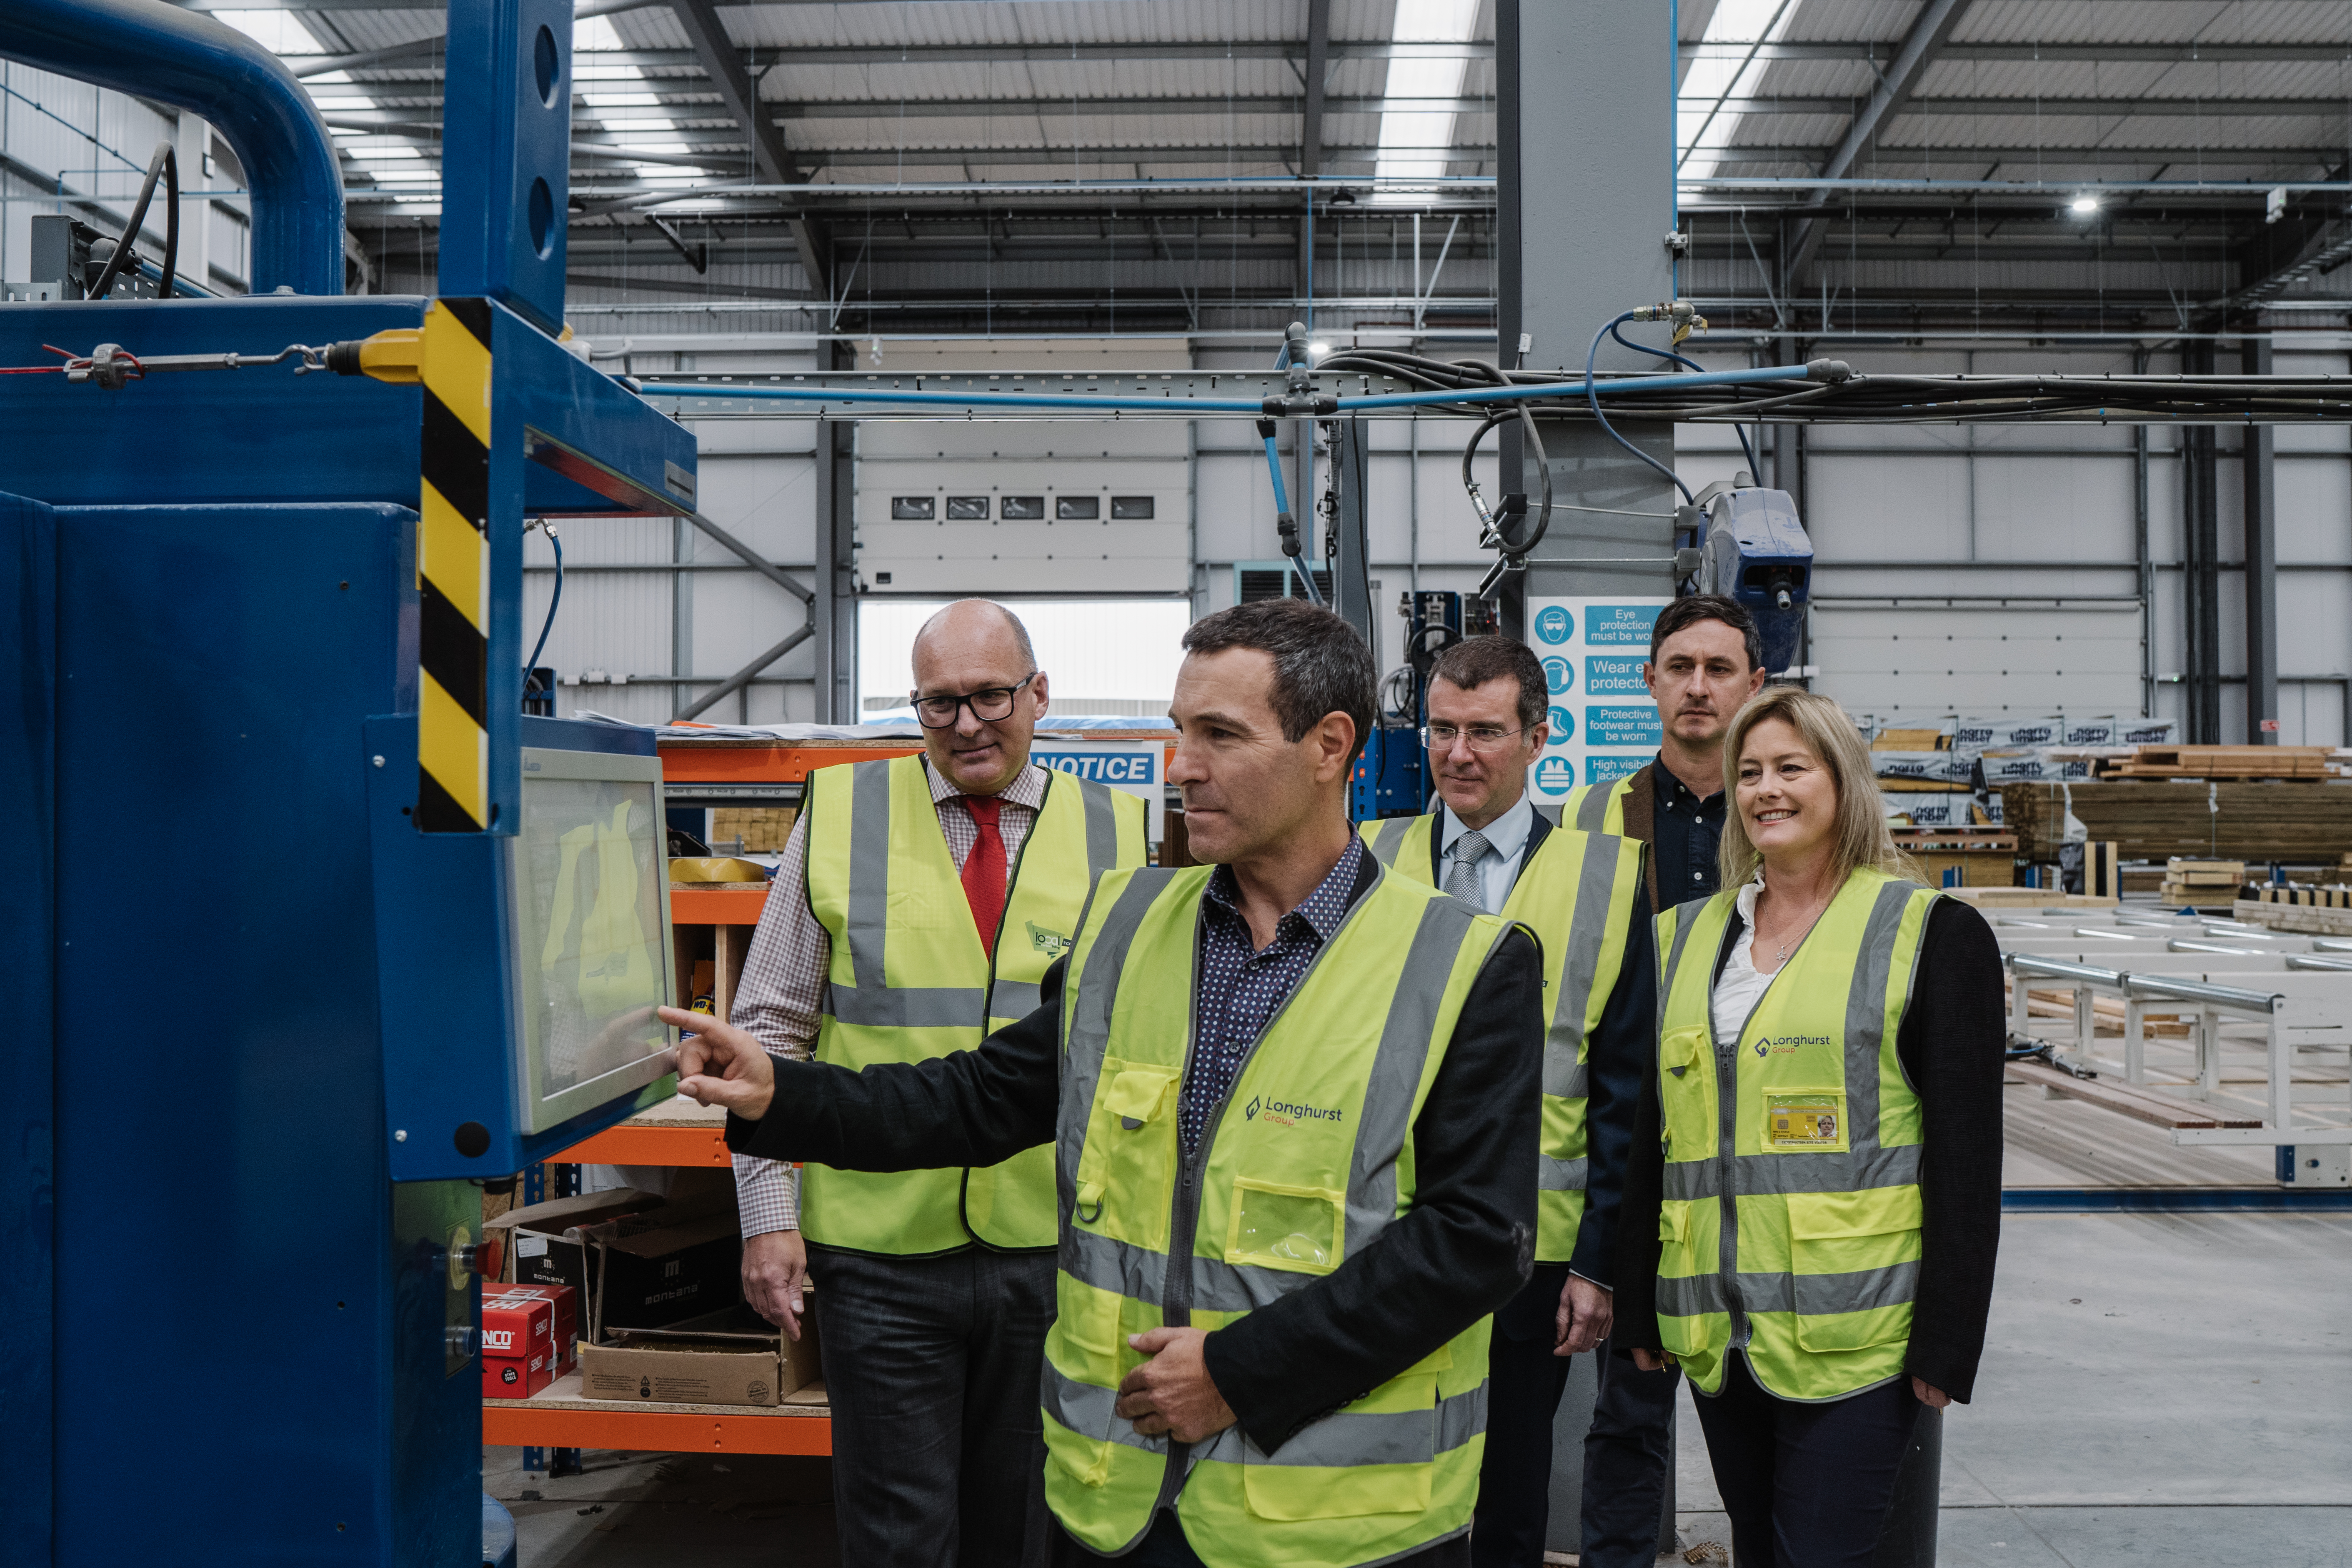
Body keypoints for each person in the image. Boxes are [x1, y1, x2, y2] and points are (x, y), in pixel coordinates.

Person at [666, 599, 1547, 1568]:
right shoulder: (1127, 927)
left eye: (1218, 735)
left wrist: (1237, 1372)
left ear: (1329, 745)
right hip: (1120, 1501)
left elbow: (1474, 1241)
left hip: (1331, 1522)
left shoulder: (1463, 960)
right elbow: (980, 1097)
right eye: (1178, 731)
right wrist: (779, 1096)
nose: (1180, 766)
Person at [724, 598, 1149, 1568]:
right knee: (896, 1534)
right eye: (938, 704)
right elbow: (768, 1027)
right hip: (877, 1250)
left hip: (1050, 1248)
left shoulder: (1120, 831)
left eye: (990, 696)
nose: (966, 725)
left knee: (1029, 1526)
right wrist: (766, 1215)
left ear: (1039, 695)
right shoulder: (839, 813)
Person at [1616, 687, 2004, 1568]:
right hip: (1717, 1336)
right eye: (1747, 772)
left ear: (1842, 782)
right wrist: (1641, 1301)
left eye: (1791, 767)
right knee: (1760, 1550)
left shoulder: (1928, 932)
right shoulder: (1683, 936)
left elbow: (1965, 1157)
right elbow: (1656, 1136)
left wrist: (1949, 1338)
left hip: (1858, 1337)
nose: (1766, 790)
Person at [1359, 635, 1651, 1568]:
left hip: (1530, 1246)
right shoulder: (1372, 857)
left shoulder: (1606, 876)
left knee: (1513, 1490)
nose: (1458, 754)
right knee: (1385, 1478)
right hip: (1385, 1231)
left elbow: (1623, 1092)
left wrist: (1598, 1264)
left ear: (1537, 737)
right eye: (1441, 729)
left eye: (1484, 731)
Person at [1558, 593, 1764, 1568]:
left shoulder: (1782, 808)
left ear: (1753, 686)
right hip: (1638, 1148)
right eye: (1677, 665)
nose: (1696, 686)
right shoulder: (1593, 818)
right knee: (1627, 1409)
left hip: (1759, 1161)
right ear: (1647, 681)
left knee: (1762, 1416)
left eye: (1718, 668)